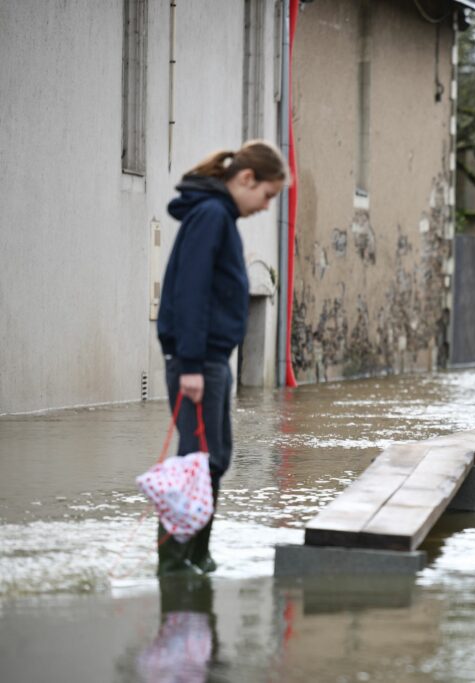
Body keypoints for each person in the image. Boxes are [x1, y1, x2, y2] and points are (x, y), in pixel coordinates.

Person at [156, 140, 287, 575]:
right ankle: (176, 563)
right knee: (199, 459)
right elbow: (190, 292)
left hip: (210, 359)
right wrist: (191, 364)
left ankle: (197, 556)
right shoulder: (212, 216)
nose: (268, 207)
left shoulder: (218, 216)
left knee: (214, 455)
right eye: (268, 195)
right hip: (199, 361)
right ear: (246, 179)